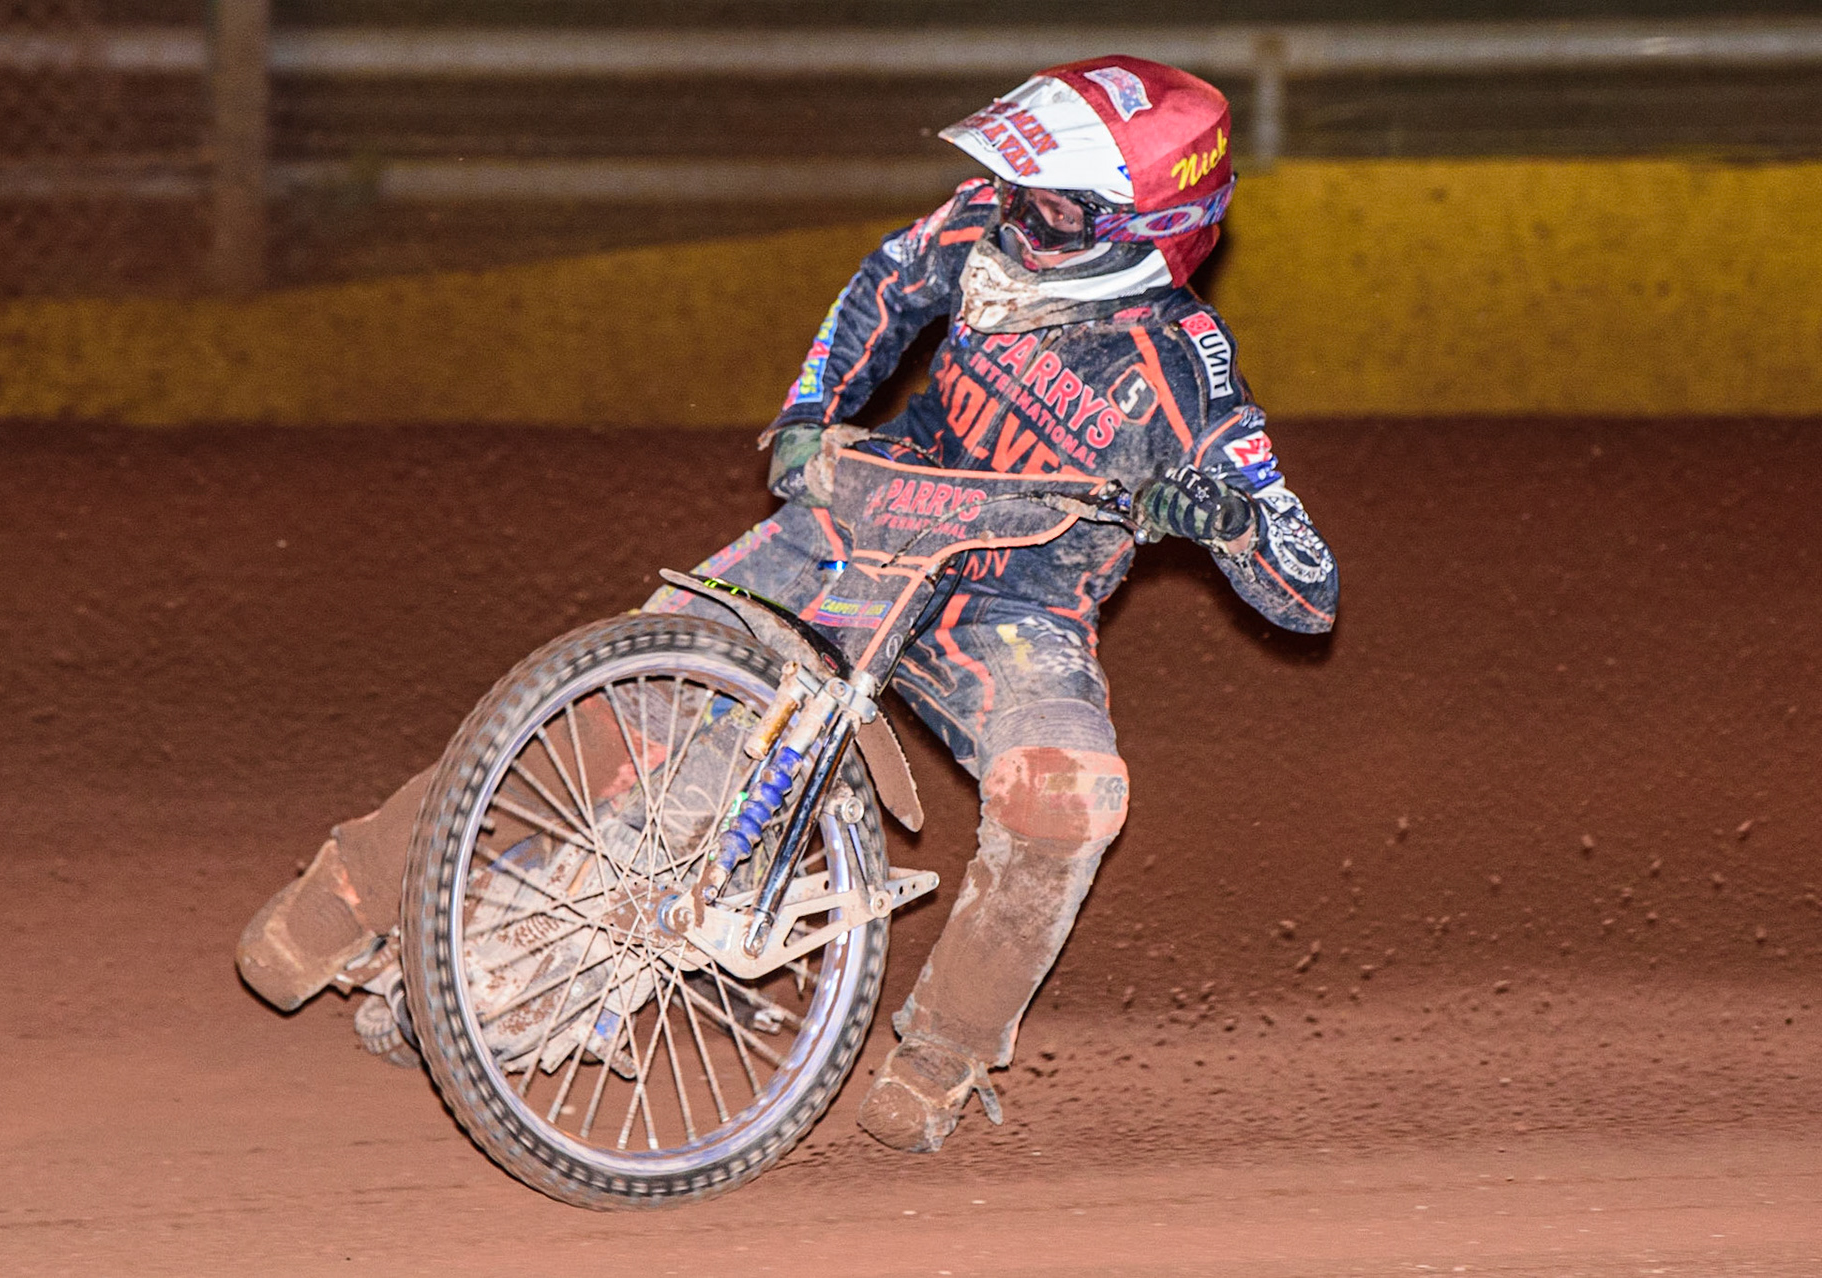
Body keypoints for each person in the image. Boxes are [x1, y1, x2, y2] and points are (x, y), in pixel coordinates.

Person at [238, 56, 1337, 1156]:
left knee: (1067, 802)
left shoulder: (1186, 377)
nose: (1016, 212)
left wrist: (1229, 521)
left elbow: (1311, 592)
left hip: (1012, 603)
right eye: (1017, 186)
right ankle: (343, 899)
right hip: (867, 514)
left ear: (1145, 228)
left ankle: (944, 1055)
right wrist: (813, 410)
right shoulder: (980, 223)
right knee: (628, 695)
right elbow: (885, 283)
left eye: (1051, 204)